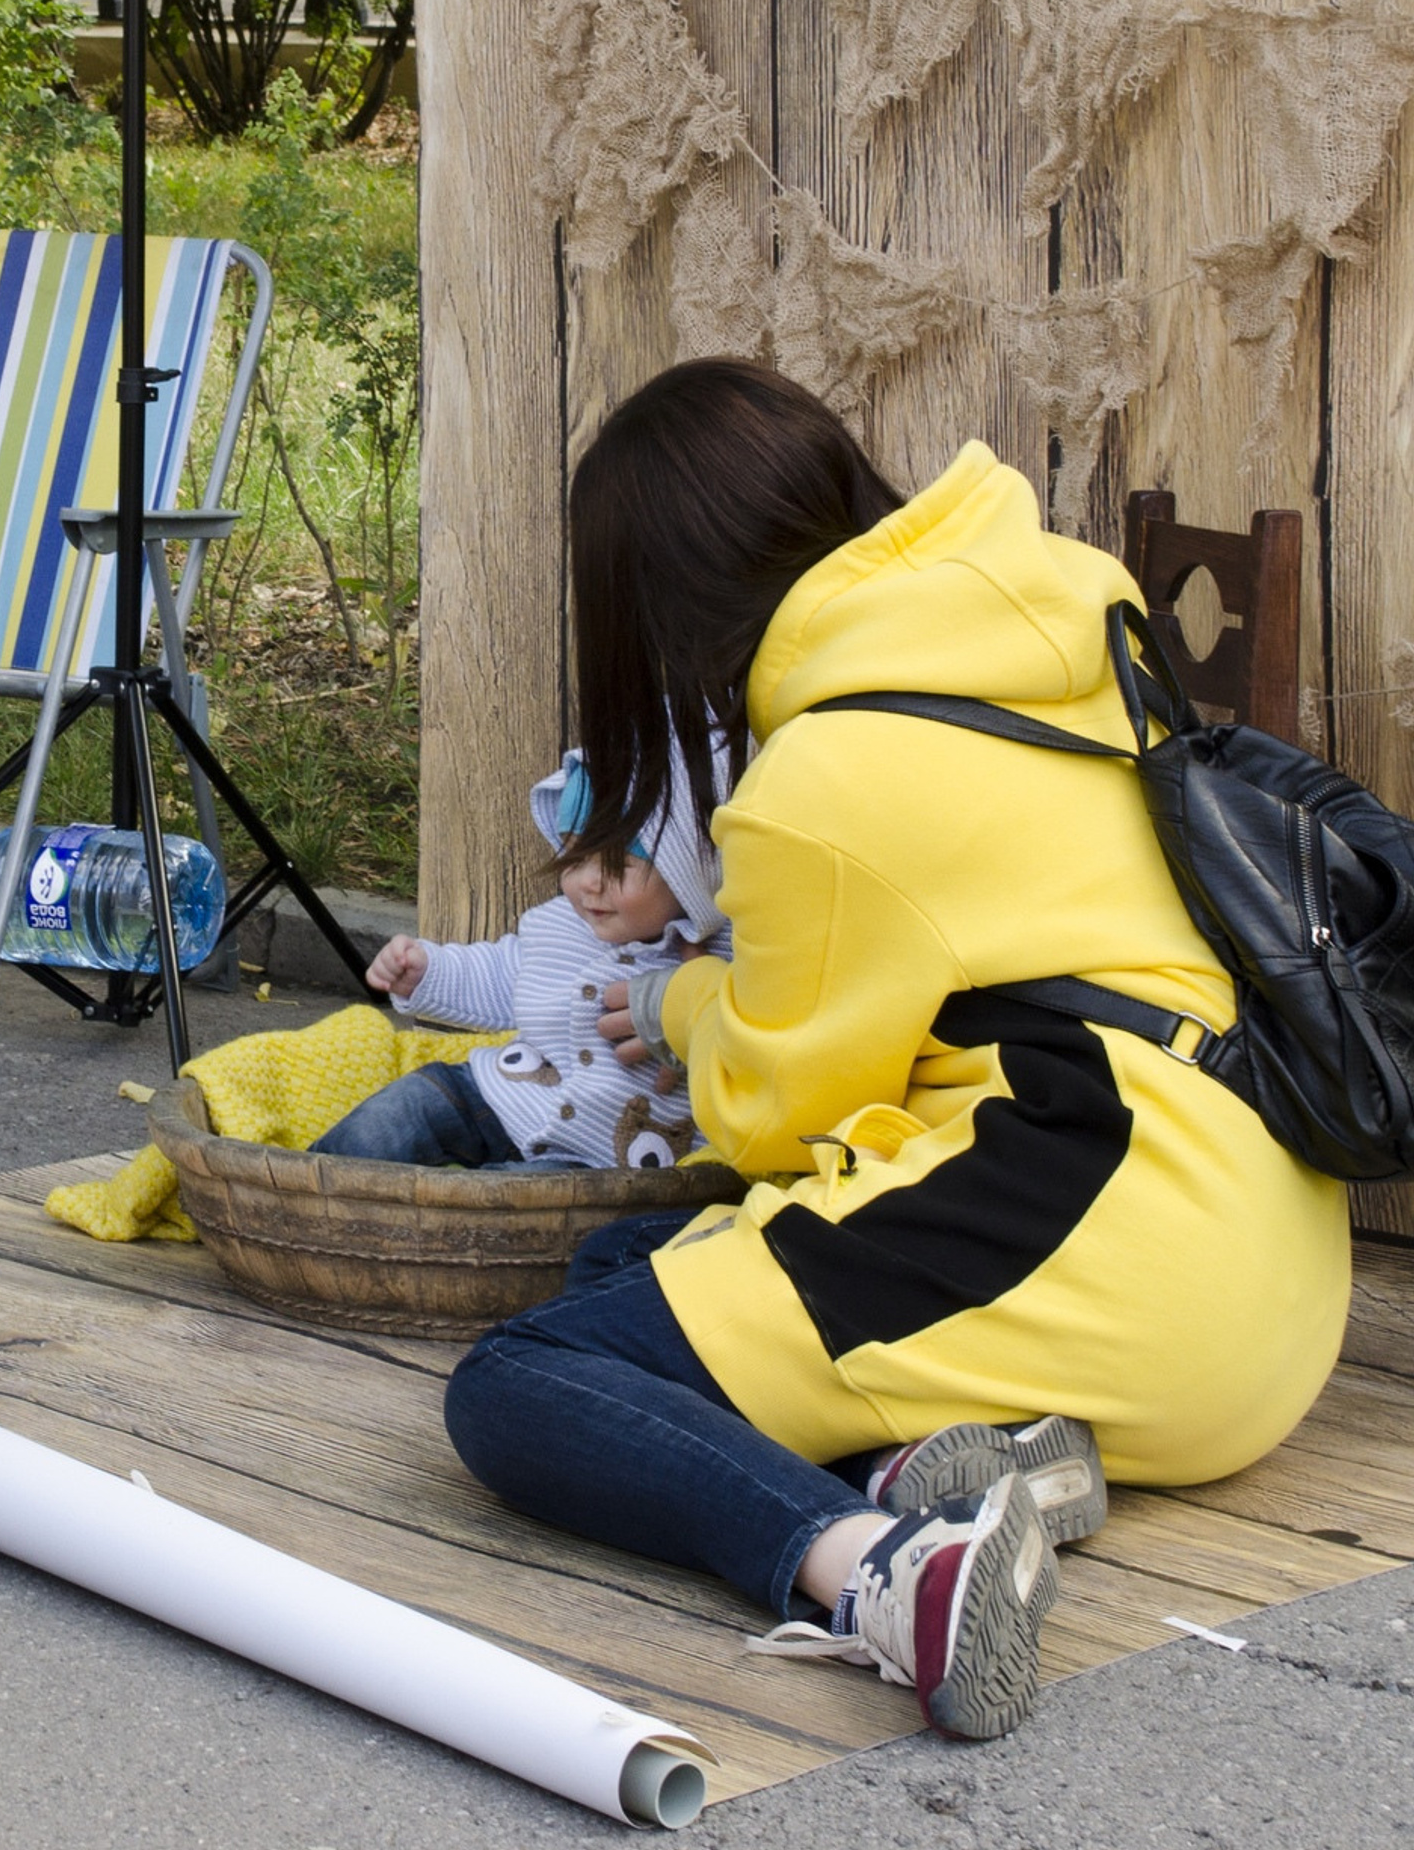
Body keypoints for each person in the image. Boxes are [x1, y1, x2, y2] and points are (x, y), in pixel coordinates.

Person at [441, 362, 1350, 1742]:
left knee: (524, 1379)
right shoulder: (1061, 603)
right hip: (1263, 1252)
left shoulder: (825, 779)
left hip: (1099, 1204)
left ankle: (884, 1573)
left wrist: (690, 1004)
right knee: (620, 1275)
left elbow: (765, 1118)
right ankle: (951, 1467)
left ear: (659, 608)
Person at [313, 751, 730, 1172]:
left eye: (618, 864)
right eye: (573, 857)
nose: (588, 883)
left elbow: (756, 1032)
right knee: (405, 1108)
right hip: (504, 1095)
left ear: (691, 871)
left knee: (500, 1209)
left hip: (597, 1158)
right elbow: (501, 975)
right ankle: (303, 1193)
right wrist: (427, 972)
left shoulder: (724, 955)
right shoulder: (561, 925)